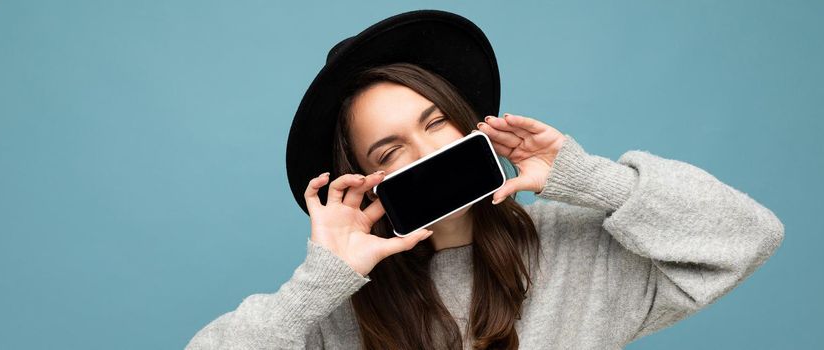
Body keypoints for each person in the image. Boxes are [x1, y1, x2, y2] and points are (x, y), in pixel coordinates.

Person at [185, 10, 785, 350]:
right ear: (367, 180)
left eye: (437, 123)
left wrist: (593, 181)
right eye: (392, 149)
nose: (427, 153)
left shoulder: (578, 252)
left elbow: (748, 236)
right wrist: (319, 282)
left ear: (469, 123)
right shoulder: (335, 304)